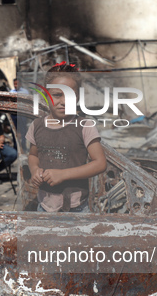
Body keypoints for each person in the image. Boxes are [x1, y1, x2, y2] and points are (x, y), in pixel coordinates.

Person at [25, 62, 107, 213]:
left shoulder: (85, 125)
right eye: (57, 95)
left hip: (77, 209)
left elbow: (100, 163)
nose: (63, 101)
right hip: (43, 207)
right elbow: (33, 155)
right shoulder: (36, 126)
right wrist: (35, 169)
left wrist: (63, 174)